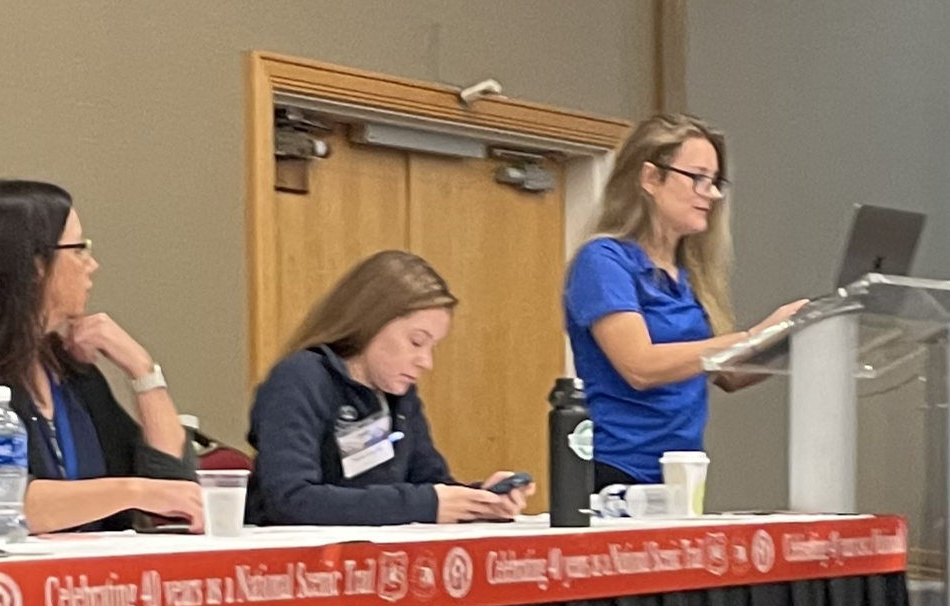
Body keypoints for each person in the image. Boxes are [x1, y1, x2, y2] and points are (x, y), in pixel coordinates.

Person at [0, 180, 202, 532]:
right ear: (35, 265)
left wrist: (141, 369)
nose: (91, 264)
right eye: (79, 249)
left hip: (88, 581)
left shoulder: (69, 369)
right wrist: (133, 491)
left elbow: (170, 492)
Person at [563, 113, 801, 488]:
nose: (713, 194)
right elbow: (639, 366)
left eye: (716, 181)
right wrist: (754, 335)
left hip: (681, 474)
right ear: (651, 178)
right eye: (698, 179)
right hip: (617, 473)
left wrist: (799, 337)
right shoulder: (604, 261)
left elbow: (729, 373)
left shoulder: (690, 273)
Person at [247, 250, 528, 526]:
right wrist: (427, 504)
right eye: (417, 342)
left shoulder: (400, 394)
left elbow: (428, 484)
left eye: (433, 347)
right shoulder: (301, 378)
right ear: (369, 323)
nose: (426, 362)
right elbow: (290, 499)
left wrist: (478, 501)